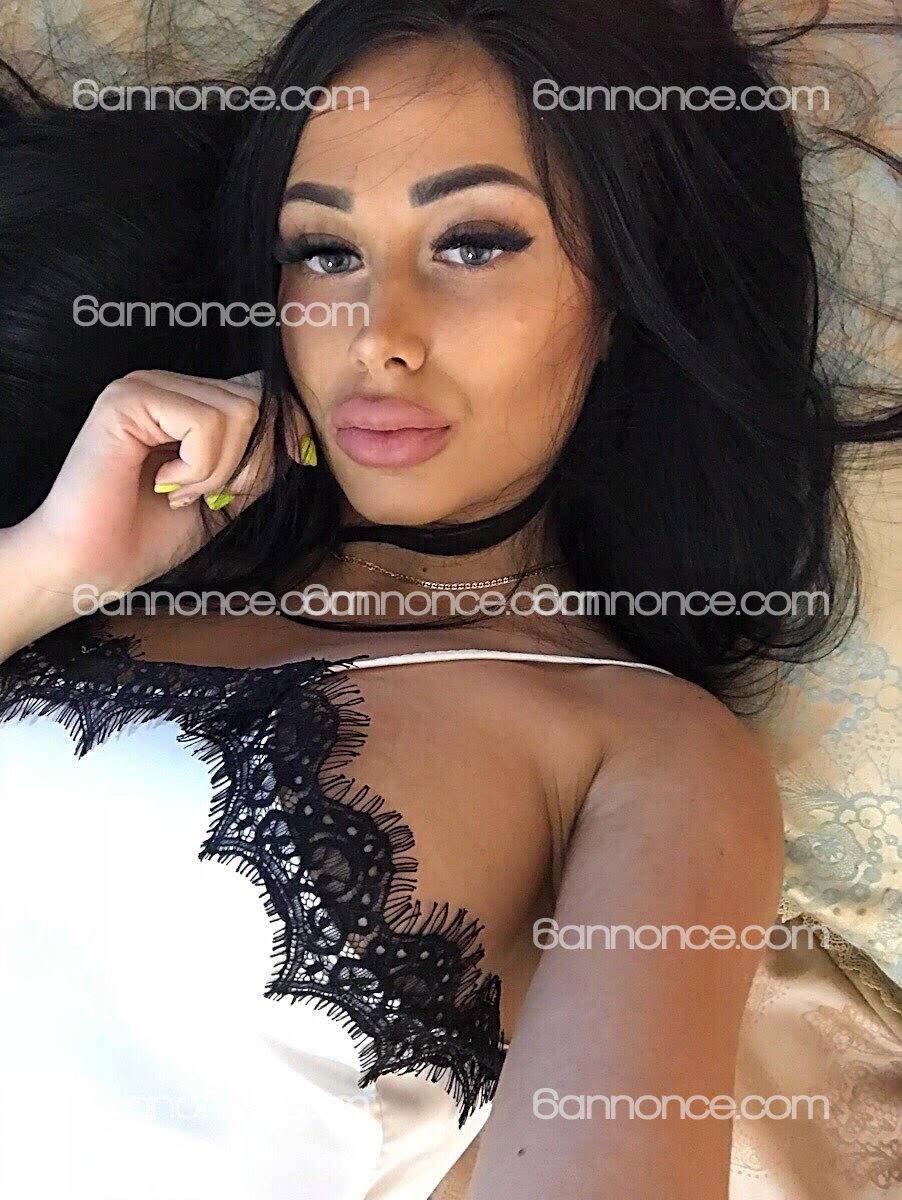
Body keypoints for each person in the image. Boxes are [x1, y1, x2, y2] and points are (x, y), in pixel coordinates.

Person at [0, 2, 897, 1198]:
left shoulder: (648, 753)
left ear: (623, 293)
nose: (377, 337)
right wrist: (50, 563)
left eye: (472, 244)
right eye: (325, 252)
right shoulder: (113, 573)